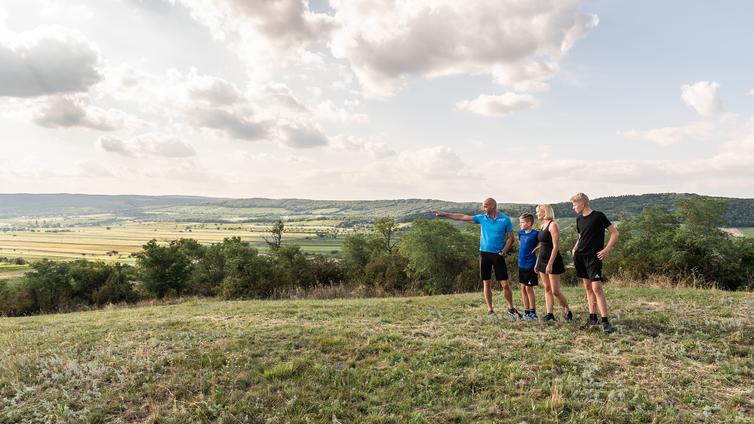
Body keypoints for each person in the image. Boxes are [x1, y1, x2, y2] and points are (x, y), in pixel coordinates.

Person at [436, 198, 520, 318]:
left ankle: (511, 309)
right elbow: (462, 217)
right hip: (484, 254)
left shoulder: (505, 219)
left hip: (498, 255)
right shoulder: (482, 218)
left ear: (492, 206)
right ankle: (490, 310)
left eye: (485, 206)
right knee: (486, 283)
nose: (483, 208)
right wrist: (445, 215)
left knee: (505, 284)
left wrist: (504, 251)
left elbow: (511, 238)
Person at [570, 193, 620, 334]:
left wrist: (607, 249)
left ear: (582, 203)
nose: (573, 207)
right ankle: (592, 318)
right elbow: (581, 236)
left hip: (594, 257)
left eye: (574, 204)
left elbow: (615, 233)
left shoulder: (598, 216)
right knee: (588, 288)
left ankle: (606, 322)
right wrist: (575, 248)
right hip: (580, 256)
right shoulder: (578, 218)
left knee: (597, 287)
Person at [534, 204, 572, 321]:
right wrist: (537, 263)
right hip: (542, 259)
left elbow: (555, 247)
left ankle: (567, 310)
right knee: (547, 288)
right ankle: (549, 314)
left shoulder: (553, 225)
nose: (536, 214)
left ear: (545, 212)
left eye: (538, 212)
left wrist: (550, 264)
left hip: (553, 260)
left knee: (555, 290)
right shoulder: (542, 225)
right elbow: (543, 245)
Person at [517, 213, 539, 320]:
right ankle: (526, 312)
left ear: (529, 223)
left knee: (529, 288)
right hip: (521, 264)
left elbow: (543, 243)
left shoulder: (536, 234)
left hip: (531, 264)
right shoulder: (520, 233)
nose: (520, 224)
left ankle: (533, 313)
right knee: (523, 288)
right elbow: (520, 243)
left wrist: (537, 248)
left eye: (522, 222)